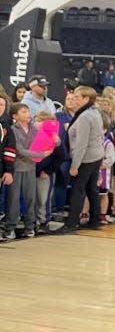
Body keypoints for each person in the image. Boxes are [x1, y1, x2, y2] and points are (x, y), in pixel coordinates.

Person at [58, 85, 104, 234]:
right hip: (96, 156)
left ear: (86, 99)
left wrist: (75, 165)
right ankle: (95, 220)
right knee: (92, 189)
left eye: (77, 97)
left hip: (86, 158)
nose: (75, 100)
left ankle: (71, 223)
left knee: (78, 190)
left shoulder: (85, 116)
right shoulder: (94, 111)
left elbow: (81, 143)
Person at [1, 102, 47, 240]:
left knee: (30, 199)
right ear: (15, 116)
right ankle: (10, 227)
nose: (27, 114)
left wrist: (54, 140)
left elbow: (46, 143)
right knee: (13, 199)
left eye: (27, 111)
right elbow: (19, 150)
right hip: (16, 168)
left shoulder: (34, 129)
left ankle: (30, 226)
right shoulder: (12, 129)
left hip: (30, 168)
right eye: (23, 112)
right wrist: (41, 154)